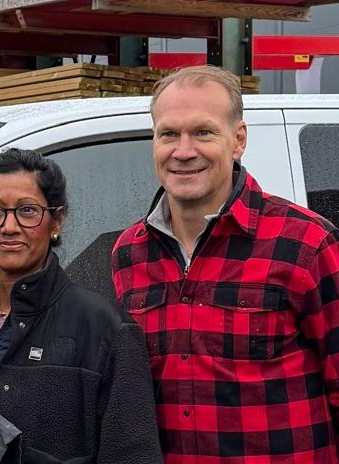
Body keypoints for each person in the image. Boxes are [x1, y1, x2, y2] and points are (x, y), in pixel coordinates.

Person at [111, 65, 339, 463]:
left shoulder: (306, 245)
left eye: (203, 132)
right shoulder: (129, 254)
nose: (183, 151)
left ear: (238, 141)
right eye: (169, 134)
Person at [0, 148, 162, 464]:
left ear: (56, 221)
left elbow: (132, 455)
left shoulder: (104, 329)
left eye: (27, 211)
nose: (9, 226)